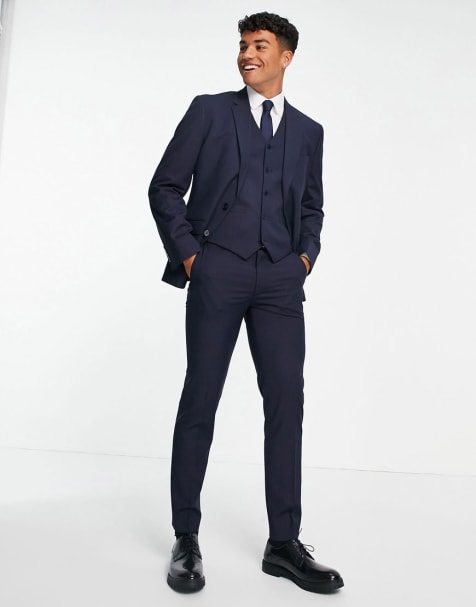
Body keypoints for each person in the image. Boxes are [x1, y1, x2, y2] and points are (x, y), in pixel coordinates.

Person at [148, 11, 343, 595]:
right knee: (200, 399)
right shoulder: (210, 111)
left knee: (287, 404)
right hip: (219, 270)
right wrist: (192, 257)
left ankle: (283, 544)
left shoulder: (308, 132)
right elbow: (164, 186)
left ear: (286, 57)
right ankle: (186, 538)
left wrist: (304, 258)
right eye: (242, 45)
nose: (246, 54)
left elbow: (312, 207)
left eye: (259, 45)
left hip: (280, 280)